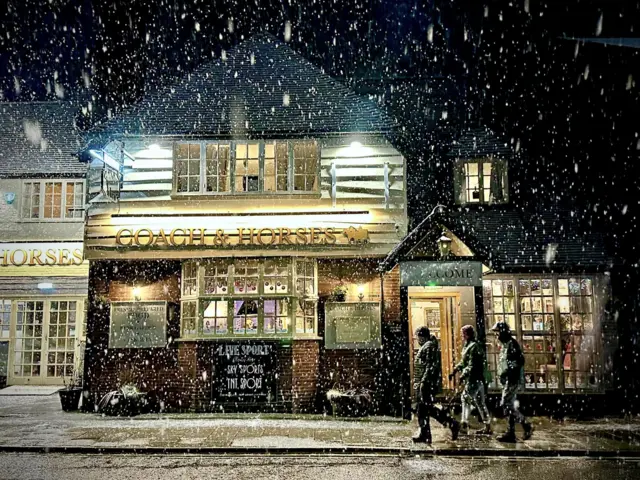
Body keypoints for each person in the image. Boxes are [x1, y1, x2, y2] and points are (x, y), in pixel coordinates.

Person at [412, 326, 460, 443]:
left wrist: (423, 382)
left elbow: (430, 366)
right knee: (424, 409)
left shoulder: (428, 346)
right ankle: (427, 433)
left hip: (425, 384)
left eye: (418, 337)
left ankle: (450, 423)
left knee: (424, 408)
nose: (417, 339)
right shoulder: (428, 345)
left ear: (422, 336)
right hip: (423, 383)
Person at [491, 321, 533, 442]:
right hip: (508, 380)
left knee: (506, 404)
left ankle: (522, 426)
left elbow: (519, 361)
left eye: (497, 332)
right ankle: (513, 430)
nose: (496, 336)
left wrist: (509, 372)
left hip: (512, 380)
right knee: (508, 404)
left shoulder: (511, 345)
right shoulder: (506, 345)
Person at [450, 325, 492, 435]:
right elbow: (464, 361)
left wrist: (463, 374)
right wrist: (455, 370)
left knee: (465, 399)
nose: (461, 336)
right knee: (480, 402)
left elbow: (472, 365)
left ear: (467, 334)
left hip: (474, 378)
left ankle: (464, 424)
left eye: (463, 333)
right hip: (477, 379)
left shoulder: (474, 347)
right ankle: (487, 425)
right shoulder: (469, 346)